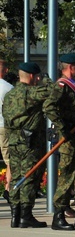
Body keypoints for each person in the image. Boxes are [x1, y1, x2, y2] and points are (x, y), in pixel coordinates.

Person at [3, 61, 49, 228]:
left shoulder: (10, 95)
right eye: (37, 77)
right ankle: (26, 215)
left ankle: (15, 215)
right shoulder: (31, 93)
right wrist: (47, 79)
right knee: (29, 177)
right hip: (30, 143)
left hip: (14, 141)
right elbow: (52, 91)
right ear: (32, 76)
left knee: (16, 176)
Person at [45, 52, 75, 230]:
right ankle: (58, 216)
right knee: (67, 178)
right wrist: (63, 128)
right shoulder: (62, 86)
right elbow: (48, 107)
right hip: (69, 139)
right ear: (71, 67)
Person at [0, 56, 14, 202]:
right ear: (5, 70)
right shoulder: (8, 88)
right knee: (9, 159)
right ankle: (8, 188)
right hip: (3, 126)